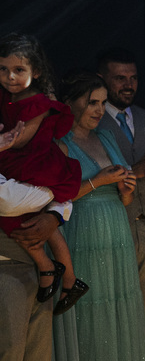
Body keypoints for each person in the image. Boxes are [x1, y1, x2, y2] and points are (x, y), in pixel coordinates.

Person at [47, 70, 145, 361]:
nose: (98, 110)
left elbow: (122, 194)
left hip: (116, 233)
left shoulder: (106, 138)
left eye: (101, 102)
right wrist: (97, 182)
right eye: (91, 102)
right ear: (71, 102)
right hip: (82, 233)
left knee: (117, 322)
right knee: (88, 326)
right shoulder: (59, 143)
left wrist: (125, 190)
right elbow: (54, 195)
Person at [0, 103, 85, 361]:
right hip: (3, 264)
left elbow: (66, 195)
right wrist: (54, 198)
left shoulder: (43, 150)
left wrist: (54, 211)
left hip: (34, 268)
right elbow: (6, 199)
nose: (26, 125)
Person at [0, 33, 88, 313]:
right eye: (3, 69)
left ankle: (64, 275)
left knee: (23, 218)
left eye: (18, 70)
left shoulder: (38, 102)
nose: (9, 76)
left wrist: (4, 140)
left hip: (35, 164)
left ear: (36, 72)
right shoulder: (7, 97)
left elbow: (21, 140)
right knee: (25, 221)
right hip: (16, 163)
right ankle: (58, 272)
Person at [96, 48, 145, 335]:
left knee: (144, 321)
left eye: (133, 78)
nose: (128, 85)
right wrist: (135, 171)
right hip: (111, 232)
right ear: (102, 79)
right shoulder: (92, 119)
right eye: (120, 78)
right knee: (112, 321)